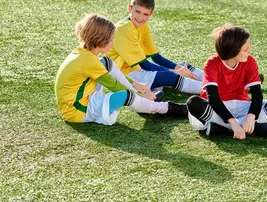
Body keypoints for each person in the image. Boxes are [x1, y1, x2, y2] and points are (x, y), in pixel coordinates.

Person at [55, 14, 187, 125]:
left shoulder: (83, 53)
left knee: (107, 62)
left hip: (83, 97)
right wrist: (139, 94)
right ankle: (167, 108)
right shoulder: (88, 61)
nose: (113, 43)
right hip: (78, 111)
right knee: (127, 95)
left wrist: (137, 85)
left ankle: (143, 101)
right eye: (111, 39)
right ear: (99, 40)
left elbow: (110, 75)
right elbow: (114, 85)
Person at [187, 24, 267, 139]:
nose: (249, 52)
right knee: (193, 103)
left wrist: (250, 117)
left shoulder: (250, 61)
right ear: (233, 50)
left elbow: (257, 95)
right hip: (217, 108)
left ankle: (222, 128)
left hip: (243, 106)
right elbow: (213, 99)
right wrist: (233, 124)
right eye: (245, 49)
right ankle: (247, 127)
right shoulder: (212, 63)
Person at [106, 0, 204, 98]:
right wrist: (175, 72)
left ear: (151, 14)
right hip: (123, 75)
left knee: (184, 66)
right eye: (137, 11)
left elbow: (157, 58)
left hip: (137, 70)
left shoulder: (142, 26)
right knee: (170, 75)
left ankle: (216, 81)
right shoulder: (124, 29)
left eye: (145, 14)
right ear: (130, 8)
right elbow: (144, 64)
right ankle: (212, 90)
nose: (140, 17)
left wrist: (179, 69)